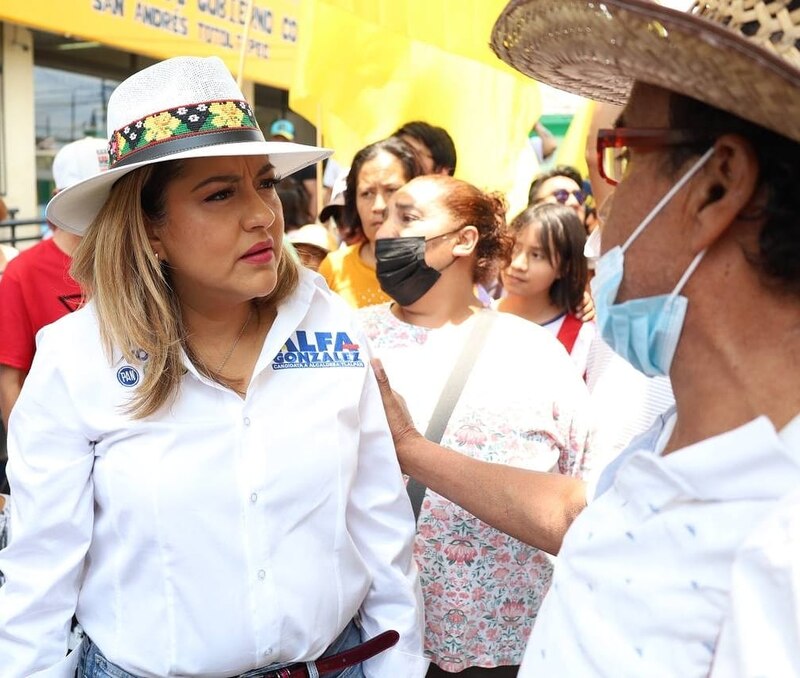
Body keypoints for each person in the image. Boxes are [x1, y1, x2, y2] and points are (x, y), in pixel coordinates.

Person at [374, 0, 800, 675]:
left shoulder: (781, 552)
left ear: (716, 188)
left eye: (624, 156)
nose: (607, 208)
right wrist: (409, 449)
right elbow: (579, 510)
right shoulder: (674, 444)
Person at [0, 56, 426, 678]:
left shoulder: (329, 324)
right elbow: (39, 582)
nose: (262, 214)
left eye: (264, 184)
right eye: (220, 194)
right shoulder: (75, 359)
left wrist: (399, 665)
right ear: (148, 227)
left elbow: (381, 526)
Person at [361, 174, 592, 676]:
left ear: (463, 241)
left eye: (408, 217)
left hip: (506, 652)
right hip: (375, 646)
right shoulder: (349, 340)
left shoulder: (535, 354)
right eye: (384, 218)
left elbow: (577, 490)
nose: (384, 232)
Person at [319, 137, 421, 308]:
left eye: (391, 190)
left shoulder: (439, 264)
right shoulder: (335, 268)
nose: (378, 206)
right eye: (367, 193)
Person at [496, 203, 596, 375]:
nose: (519, 264)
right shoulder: (474, 314)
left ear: (564, 267)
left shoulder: (584, 337)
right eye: (514, 248)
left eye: (537, 255)